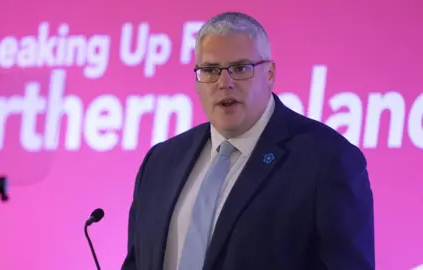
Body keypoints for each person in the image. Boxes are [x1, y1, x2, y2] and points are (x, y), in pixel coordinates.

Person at [121, 11, 375, 270]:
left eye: (240, 68)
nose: (224, 83)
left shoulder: (327, 160)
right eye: (210, 70)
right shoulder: (160, 162)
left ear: (270, 74)